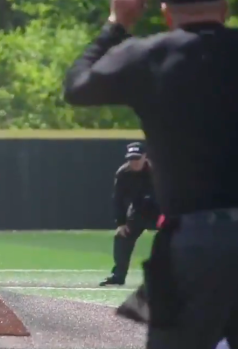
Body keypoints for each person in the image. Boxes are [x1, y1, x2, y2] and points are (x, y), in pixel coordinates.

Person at [63, 0, 238, 347]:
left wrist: (118, 23)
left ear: (166, 13)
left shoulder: (149, 56)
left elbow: (77, 85)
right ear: (225, 10)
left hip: (194, 244)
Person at [100, 142, 158, 286]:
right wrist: (121, 223)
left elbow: (169, 193)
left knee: (173, 237)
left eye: (137, 158)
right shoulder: (123, 173)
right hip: (139, 211)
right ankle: (118, 276)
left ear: (145, 156)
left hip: (160, 210)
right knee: (121, 236)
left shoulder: (157, 171)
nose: (134, 162)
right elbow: (118, 199)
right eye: (131, 159)